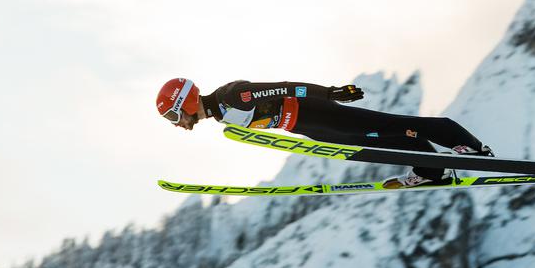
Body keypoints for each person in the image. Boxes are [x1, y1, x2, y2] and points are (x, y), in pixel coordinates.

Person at [156, 78, 493, 188]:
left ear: (184, 102)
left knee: (386, 126)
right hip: (310, 129)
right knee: (374, 142)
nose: (177, 123)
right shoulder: (222, 116)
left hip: (316, 113)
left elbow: (285, 88)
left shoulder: (231, 97)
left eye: (174, 114)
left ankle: (468, 144)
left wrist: (330, 94)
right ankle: (431, 170)